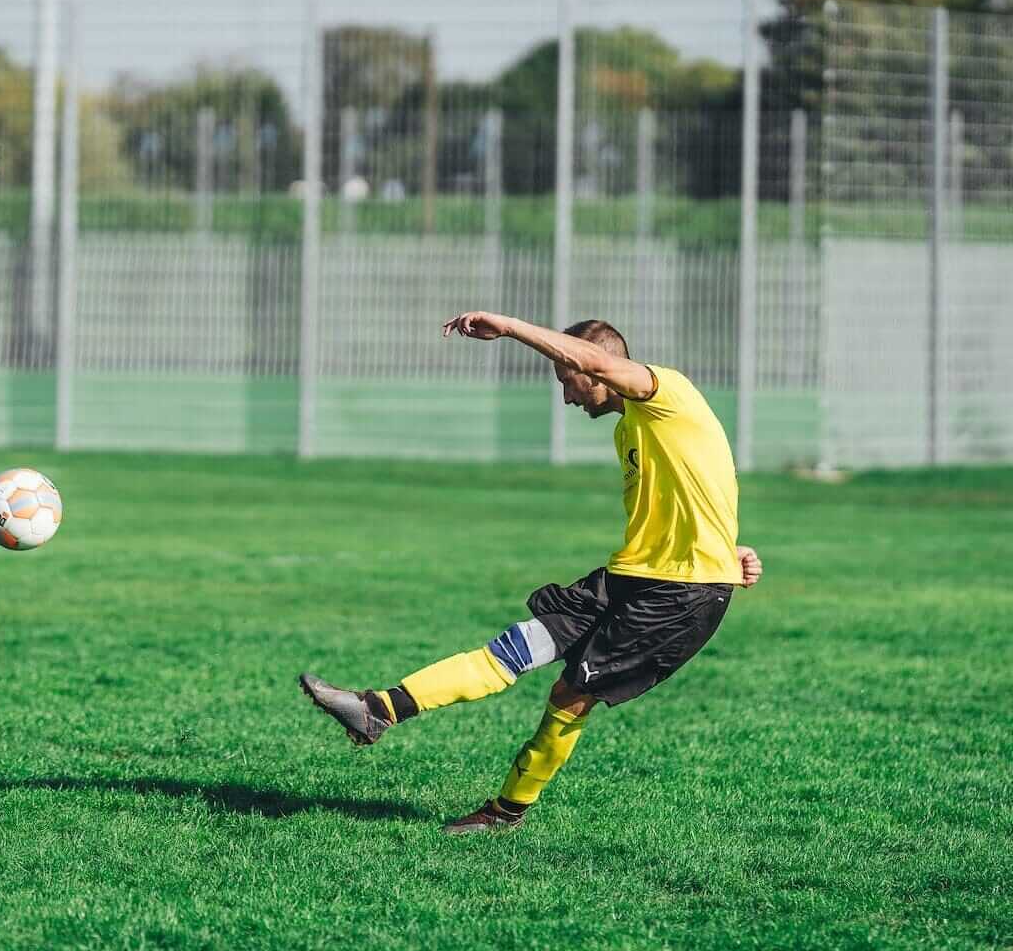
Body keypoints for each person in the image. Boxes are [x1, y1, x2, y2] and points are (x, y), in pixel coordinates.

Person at [299, 312, 762, 834]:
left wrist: (510, 327)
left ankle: (505, 812)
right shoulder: (634, 428)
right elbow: (700, 488)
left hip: (680, 595)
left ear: (599, 369)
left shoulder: (666, 392)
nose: (567, 396)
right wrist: (727, 548)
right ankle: (378, 709)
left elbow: (591, 358)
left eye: (569, 380)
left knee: (570, 695)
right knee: (518, 644)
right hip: (633, 576)